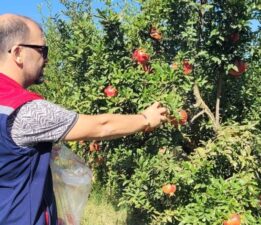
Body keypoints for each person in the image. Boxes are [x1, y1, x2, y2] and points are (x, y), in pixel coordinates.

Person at [0, 14, 168, 225]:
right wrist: (146, 119)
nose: (47, 59)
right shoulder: (25, 110)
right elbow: (100, 126)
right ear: (18, 53)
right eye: (42, 50)